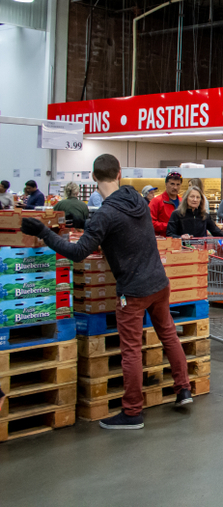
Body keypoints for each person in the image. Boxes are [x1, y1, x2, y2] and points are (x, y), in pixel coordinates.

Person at [20, 154, 192, 430]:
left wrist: (44, 231)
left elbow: (78, 252)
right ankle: (184, 389)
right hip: (159, 282)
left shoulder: (106, 214)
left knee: (131, 351)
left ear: (93, 178)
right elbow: (126, 233)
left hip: (133, 292)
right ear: (120, 173)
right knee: (168, 334)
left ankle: (132, 412)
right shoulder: (137, 199)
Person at [148, 171, 183, 236]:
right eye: (172, 184)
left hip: (181, 241)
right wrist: (170, 226)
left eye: (178, 184)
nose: (175, 187)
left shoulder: (183, 202)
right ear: (166, 184)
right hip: (163, 242)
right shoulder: (156, 201)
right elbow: (150, 223)